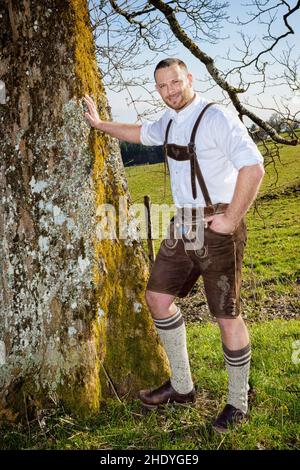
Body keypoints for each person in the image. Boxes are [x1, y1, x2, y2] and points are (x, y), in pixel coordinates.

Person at [84, 58, 265, 433]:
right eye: (163, 86)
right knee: (157, 298)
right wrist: (101, 125)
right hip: (183, 225)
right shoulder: (168, 122)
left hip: (218, 225)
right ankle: (183, 388)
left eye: (176, 82)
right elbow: (139, 132)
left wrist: (231, 218)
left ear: (189, 79)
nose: (170, 90)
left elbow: (254, 166)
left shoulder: (216, 117)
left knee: (226, 314)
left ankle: (238, 402)